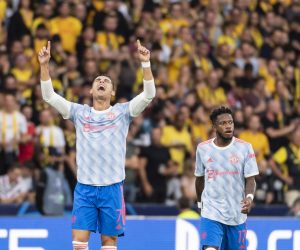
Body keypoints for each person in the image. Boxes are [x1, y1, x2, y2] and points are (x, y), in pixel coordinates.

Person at [37, 40, 155, 250]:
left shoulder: (122, 112)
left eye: (106, 81)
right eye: (97, 80)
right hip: (85, 189)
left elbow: (148, 95)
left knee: (109, 242)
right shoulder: (79, 113)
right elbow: (48, 96)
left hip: (112, 188)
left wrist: (145, 64)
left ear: (112, 92)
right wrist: (44, 65)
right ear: (91, 90)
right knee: (79, 244)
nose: (101, 81)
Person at [195, 106, 259, 250]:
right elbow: (199, 179)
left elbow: (250, 179)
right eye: (223, 123)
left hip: (236, 214)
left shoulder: (245, 148)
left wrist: (249, 198)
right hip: (211, 211)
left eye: (230, 122)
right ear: (214, 126)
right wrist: (200, 204)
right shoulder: (203, 149)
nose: (228, 126)